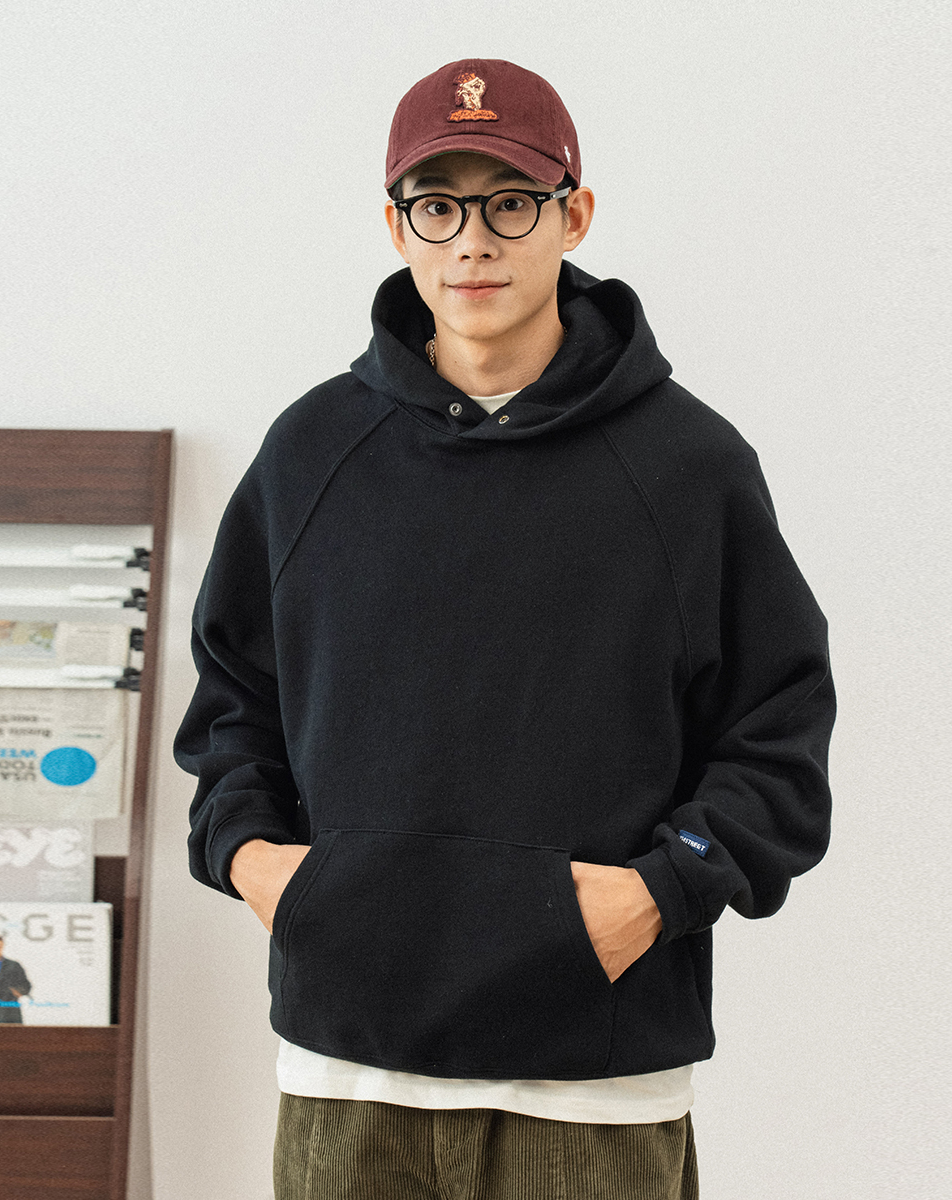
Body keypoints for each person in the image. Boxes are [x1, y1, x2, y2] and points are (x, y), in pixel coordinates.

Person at [176, 57, 835, 1200]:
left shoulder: (688, 468)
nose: (472, 243)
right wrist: (263, 866)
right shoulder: (311, 456)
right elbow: (231, 705)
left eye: (511, 202)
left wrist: (659, 892)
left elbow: (779, 736)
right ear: (397, 227)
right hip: (350, 1078)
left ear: (575, 214)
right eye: (438, 206)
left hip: (595, 1088)